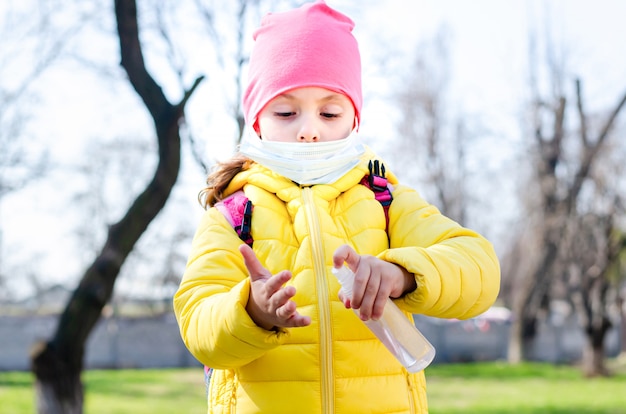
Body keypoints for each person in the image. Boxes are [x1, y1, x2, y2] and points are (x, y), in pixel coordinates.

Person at [173, 1, 501, 413]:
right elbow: (198, 325)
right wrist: (252, 311)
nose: (310, 130)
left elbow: (480, 270)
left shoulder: (384, 199)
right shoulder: (234, 215)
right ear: (257, 119)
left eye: (330, 111)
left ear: (354, 118)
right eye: (286, 111)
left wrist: (402, 274)